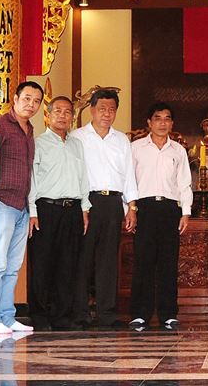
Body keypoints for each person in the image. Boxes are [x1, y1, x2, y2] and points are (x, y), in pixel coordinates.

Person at [70, 88, 139, 328]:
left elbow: (129, 174)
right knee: (83, 259)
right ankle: (80, 314)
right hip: (87, 202)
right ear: (91, 110)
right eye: (102, 109)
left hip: (113, 203)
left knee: (108, 260)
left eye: (111, 109)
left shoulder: (121, 140)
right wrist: (81, 206)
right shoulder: (77, 137)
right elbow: (75, 174)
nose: (106, 114)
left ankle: (107, 314)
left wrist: (131, 206)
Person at [0, 81, 44, 335]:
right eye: (27, 98)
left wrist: (31, 210)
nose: (31, 104)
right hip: (3, 202)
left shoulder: (29, 130)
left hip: (22, 206)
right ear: (15, 99)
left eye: (36, 101)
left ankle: (7, 317)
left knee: (13, 267)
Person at [128, 102, 193, 331]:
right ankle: (140, 314)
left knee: (168, 262)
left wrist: (185, 213)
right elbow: (128, 180)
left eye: (167, 119)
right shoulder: (135, 148)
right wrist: (131, 208)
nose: (162, 123)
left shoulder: (178, 150)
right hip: (144, 208)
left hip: (169, 209)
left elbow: (184, 183)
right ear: (149, 122)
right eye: (158, 118)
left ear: (172, 123)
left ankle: (168, 314)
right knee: (143, 261)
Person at [27, 96, 90, 331]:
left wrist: (84, 208)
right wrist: (33, 211)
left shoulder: (77, 145)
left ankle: (62, 316)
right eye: (58, 111)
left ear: (72, 116)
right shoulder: (38, 143)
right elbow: (32, 179)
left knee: (67, 265)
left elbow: (83, 178)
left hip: (72, 210)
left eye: (67, 112)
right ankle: (40, 316)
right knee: (42, 264)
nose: (63, 116)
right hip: (46, 209)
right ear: (48, 115)